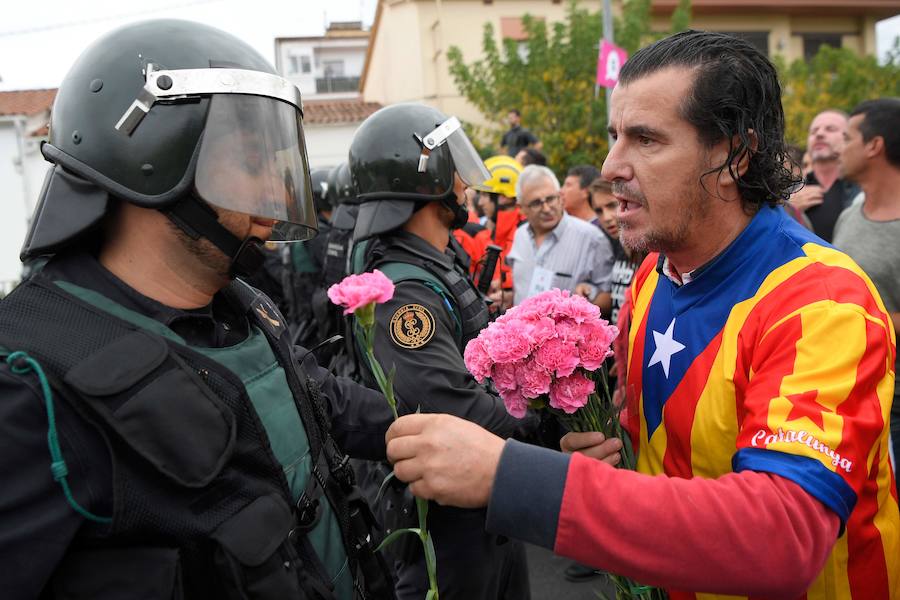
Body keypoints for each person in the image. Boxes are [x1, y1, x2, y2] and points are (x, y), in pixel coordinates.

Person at [384, 30, 899, 599]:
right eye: (614, 137)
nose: (610, 165)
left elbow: (782, 537)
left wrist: (510, 476)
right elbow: (649, 449)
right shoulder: (656, 271)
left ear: (735, 155)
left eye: (646, 139)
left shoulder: (821, 301)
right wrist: (594, 452)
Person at [0, 19, 397, 600]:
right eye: (250, 160)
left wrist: (469, 434)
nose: (274, 191)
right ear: (151, 156)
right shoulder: (27, 383)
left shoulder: (243, 303)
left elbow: (318, 396)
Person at [346, 103, 530, 600]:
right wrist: (538, 417)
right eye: (455, 169)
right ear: (426, 181)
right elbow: (446, 405)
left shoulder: (434, 263)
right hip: (447, 524)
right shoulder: (402, 291)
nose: (466, 185)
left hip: (483, 497)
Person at [833, 97, 900, 491]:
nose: (840, 148)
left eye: (848, 137)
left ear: (874, 146)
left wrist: (864, 316)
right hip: (851, 398)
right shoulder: (847, 217)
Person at [507, 165, 614, 308]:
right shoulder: (520, 235)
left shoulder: (592, 238)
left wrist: (578, 307)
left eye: (551, 199)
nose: (546, 208)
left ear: (560, 196)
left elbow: (610, 298)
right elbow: (521, 288)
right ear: (521, 207)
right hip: (519, 329)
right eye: (536, 203)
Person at [789, 110, 860, 241]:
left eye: (830, 129)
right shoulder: (786, 191)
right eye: (814, 131)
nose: (819, 134)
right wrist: (788, 209)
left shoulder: (864, 192)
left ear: (849, 138)